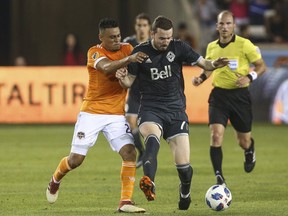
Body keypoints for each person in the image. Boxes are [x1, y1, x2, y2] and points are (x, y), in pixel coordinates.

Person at [115, 15, 229, 210]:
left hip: (176, 112)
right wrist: (120, 77)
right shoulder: (139, 52)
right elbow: (128, 82)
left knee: (184, 166)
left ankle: (185, 191)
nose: (166, 42)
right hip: (150, 108)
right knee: (152, 138)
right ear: (152, 34)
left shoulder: (179, 47)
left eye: (169, 37)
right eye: (162, 38)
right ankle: (149, 181)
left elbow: (204, 63)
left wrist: (214, 64)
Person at [46, 18, 148, 213]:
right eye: (111, 37)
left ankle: (125, 202)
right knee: (76, 160)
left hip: (116, 115)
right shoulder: (95, 52)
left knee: (129, 152)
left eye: (118, 35)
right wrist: (128, 60)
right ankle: (55, 179)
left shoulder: (127, 48)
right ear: (101, 37)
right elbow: (106, 67)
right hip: (92, 112)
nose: (117, 40)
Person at [192, 10, 266, 186]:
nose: (225, 27)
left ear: (234, 25)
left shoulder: (245, 44)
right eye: (221, 24)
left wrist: (249, 77)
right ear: (217, 26)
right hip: (219, 96)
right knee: (216, 136)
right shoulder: (212, 47)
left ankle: (249, 149)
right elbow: (209, 67)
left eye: (228, 23)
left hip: (240, 96)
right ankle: (219, 177)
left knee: (243, 141)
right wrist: (201, 78)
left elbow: (261, 66)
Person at [123, 13, 151, 168]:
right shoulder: (128, 43)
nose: (141, 28)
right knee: (130, 122)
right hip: (134, 91)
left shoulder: (153, 43)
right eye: (139, 25)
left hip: (150, 91)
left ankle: (149, 154)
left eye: (144, 25)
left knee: (148, 127)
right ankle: (142, 152)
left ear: (149, 27)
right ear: (135, 26)